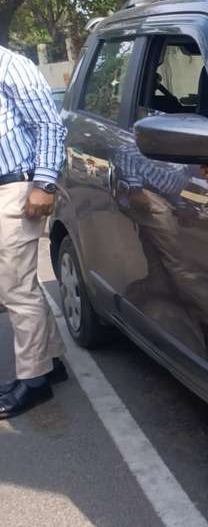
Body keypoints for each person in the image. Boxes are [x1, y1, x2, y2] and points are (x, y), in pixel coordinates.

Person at [0, 46, 68, 420]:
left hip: (16, 189)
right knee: (18, 284)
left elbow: (48, 124)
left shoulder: (10, 65)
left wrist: (45, 183)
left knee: (15, 288)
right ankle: (50, 361)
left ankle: (34, 380)